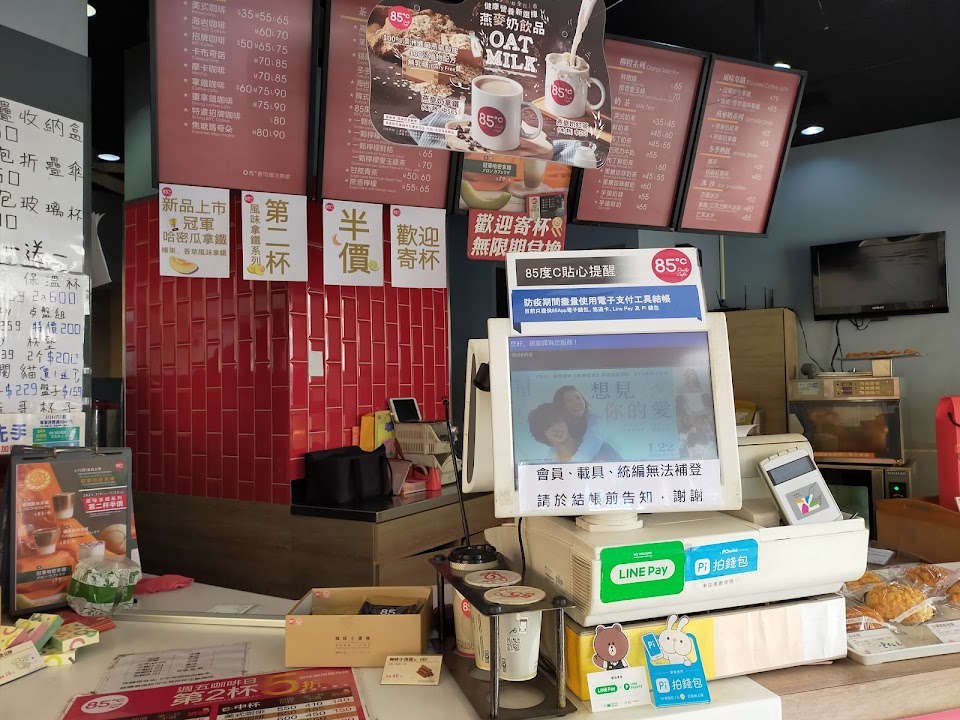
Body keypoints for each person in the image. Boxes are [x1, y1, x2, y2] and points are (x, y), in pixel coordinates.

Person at [528, 403, 621, 463]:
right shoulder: (549, 464)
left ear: (566, 421)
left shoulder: (603, 448)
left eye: (557, 421)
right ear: (542, 434)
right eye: (548, 426)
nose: (556, 428)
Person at [553, 386, 609, 463]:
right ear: (561, 406)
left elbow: (592, 442)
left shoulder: (593, 419)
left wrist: (571, 466)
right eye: (569, 400)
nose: (577, 402)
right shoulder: (561, 425)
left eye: (578, 398)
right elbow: (555, 448)